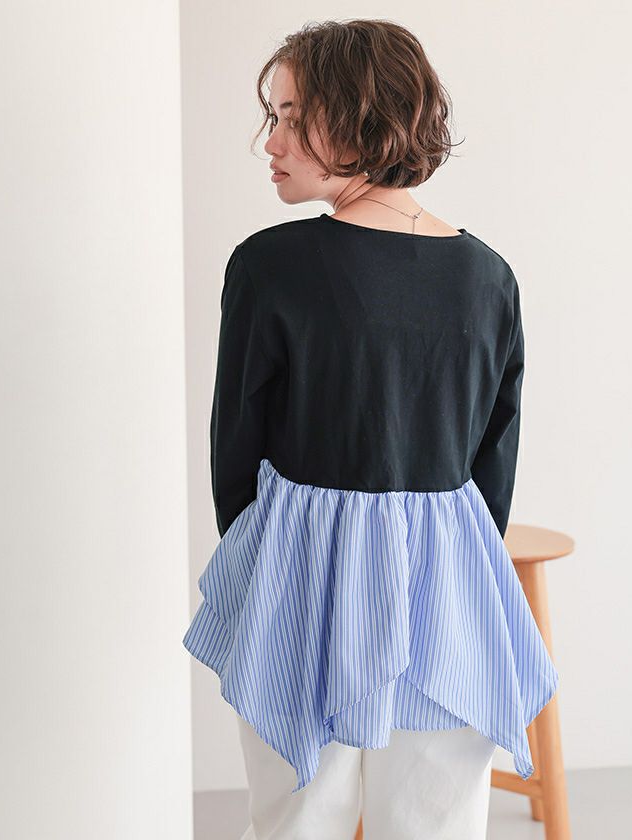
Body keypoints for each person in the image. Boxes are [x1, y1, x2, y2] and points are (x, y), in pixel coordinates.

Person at [183, 18, 559, 840]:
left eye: (291, 117)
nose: (270, 141)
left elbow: (235, 452)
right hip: (447, 582)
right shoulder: (489, 277)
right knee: (435, 818)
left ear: (358, 118)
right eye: (273, 116)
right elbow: (492, 462)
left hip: (301, 572)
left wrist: (270, 566)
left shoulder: (270, 267)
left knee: (296, 816)